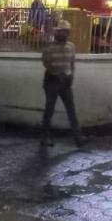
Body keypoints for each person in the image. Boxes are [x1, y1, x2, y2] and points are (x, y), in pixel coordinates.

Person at [40, 19, 83, 147]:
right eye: (61, 32)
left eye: (66, 32)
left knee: (71, 110)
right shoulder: (49, 47)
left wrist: (70, 75)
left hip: (65, 81)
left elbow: (72, 63)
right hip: (52, 80)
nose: (64, 34)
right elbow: (46, 63)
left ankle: (78, 138)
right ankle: (45, 137)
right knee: (49, 110)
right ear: (57, 33)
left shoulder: (71, 46)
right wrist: (57, 73)